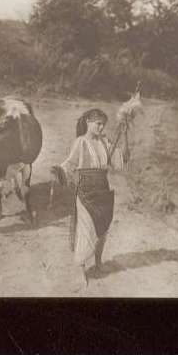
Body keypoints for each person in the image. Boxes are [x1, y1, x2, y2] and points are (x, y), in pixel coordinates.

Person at [51, 108, 125, 287]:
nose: (101, 127)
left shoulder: (105, 142)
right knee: (85, 232)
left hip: (103, 189)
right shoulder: (81, 142)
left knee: (103, 230)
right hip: (86, 191)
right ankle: (80, 272)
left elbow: (117, 164)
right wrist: (59, 171)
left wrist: (124, 134)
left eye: (103, 124)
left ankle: (98, 263)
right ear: (88, 123)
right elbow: (70, 163)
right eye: (98, 124)